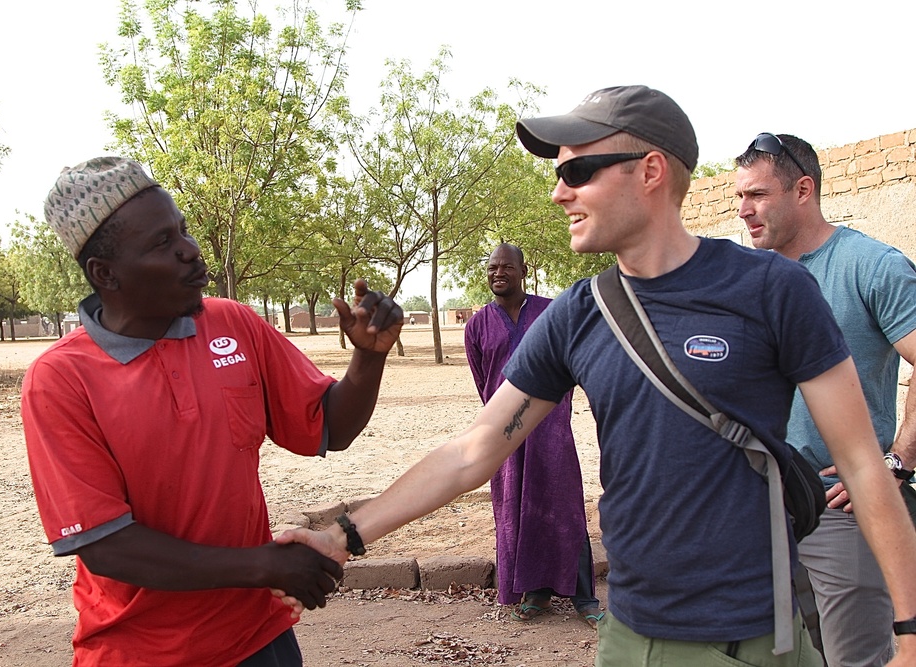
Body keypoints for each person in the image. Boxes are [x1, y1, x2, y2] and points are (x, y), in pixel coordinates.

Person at [276, 85, 916, 666]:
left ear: (651, 172)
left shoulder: (773, 290)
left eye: (578, 171)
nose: (559, 192)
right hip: (631, 637)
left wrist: (910, 632)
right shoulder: (580, 314)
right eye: (558, 175)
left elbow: (861, 464)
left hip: (756, 637)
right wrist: (347, 532)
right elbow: (473, 451)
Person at [20, 156, 402, 667]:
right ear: (104, 273)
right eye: (161, 243)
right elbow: (107, 547)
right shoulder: (62, 380)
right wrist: (264, 566)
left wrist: (369, 357)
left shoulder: (232, 323)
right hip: (141, 651)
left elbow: (332, 424)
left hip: (258, 639)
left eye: (182, 230)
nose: (189, 251)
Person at [735, 133, 916, 666]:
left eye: (758, 195)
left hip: (841, 504)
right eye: (738, 196)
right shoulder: (746, 279)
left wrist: (898, 459)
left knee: (852, 658)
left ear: (804, 189)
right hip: (758, 507)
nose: (743, 210)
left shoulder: (872, 266)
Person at [464, 242, 601, 626]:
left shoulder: (550, 313)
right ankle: (535, 592)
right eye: (492, 267)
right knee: (516, 511)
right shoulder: (477, 325)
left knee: (565, 508)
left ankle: (585, 598)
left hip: (551, 431)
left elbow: (574, 363)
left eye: (506, 267)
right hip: (502, 437)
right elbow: (484, 382)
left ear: (524, 271)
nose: (498, 274)